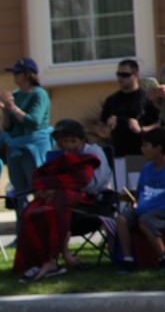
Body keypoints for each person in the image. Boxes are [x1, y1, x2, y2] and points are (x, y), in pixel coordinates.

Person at [12, 120, 102, 281]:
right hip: (51, 195)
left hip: (76, 200)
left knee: (50, 212)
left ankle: (51, 260)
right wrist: (44, 188)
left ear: (82, 142)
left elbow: (82, 179)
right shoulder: (58, 159)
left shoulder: (88, 158)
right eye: (65, 141)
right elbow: (39, 176)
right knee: (29, 213)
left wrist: (52, 187)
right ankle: (36, 262)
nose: (69, 145)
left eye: (73, 141)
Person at [0, 58, 52, 223]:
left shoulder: (39, 94)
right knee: (19, 193)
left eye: (17, 72)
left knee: (38, 189)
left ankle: (42, 224)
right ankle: (23, 227)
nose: (14, 75)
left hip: (33, 148)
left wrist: (12, 107)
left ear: (28, 74)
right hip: (15, 148)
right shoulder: (15, 95)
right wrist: (5, 110)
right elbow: (8, 127)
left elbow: (34, 122)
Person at [115, 126, 165, 271]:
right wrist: (131, 199)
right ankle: (128, 259)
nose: (142, 149)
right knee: (122, 219)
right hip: (143, 209)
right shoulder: (146, 169)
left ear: (158, 148)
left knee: (145, 221)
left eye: (146, 145)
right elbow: (140, 192)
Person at [97, 58, 160, 164]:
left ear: (136, 75)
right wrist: (108, 128)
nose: (120, 78)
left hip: (143, 154)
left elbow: (160, 124)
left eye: (125, 75)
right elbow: (101, 129)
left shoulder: (147, 97)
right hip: (119, 155)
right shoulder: (112, 100)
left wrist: (141, 130)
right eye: (118, 74)